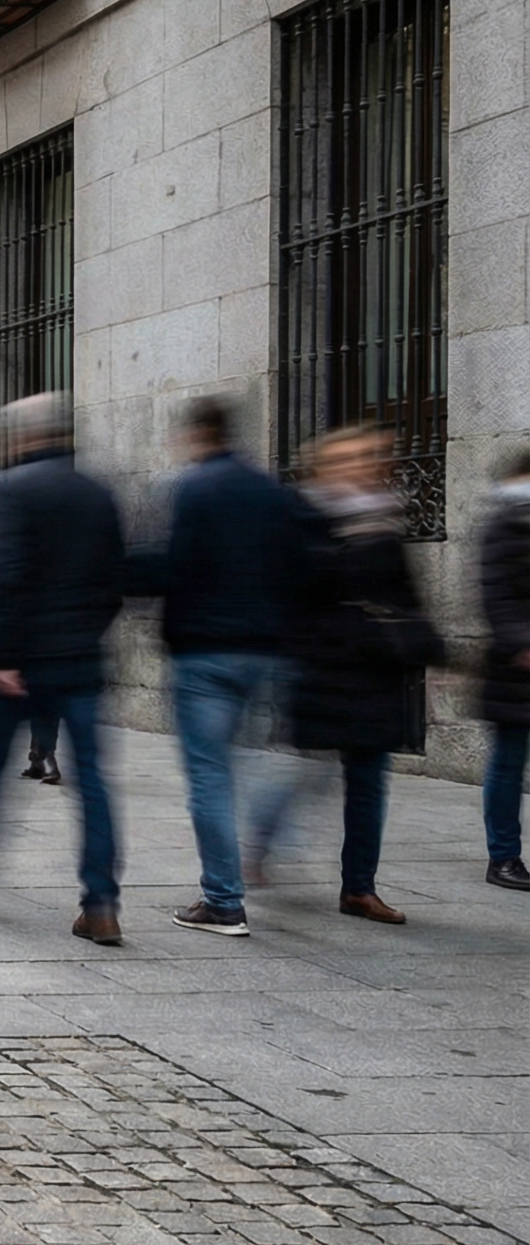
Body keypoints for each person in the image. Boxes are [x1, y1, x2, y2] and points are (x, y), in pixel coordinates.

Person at [0, 394, 127, 942]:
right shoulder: (97, 492)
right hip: (82, 659)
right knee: (93, 785)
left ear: (20, 438)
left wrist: (6, 658)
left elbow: (13, 575)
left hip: (27, 663)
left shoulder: (15, 489)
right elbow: (116, 579)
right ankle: (102, 905)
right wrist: (88, 633)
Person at [246, 425, 444, 925]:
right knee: (307, 771)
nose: (362, 464)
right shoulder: (302, 518)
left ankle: (359, 887)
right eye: (349, 457)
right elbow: (286, 594)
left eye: (369, 456)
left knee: (369, 780)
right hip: (320, 666)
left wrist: (423, 641)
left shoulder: (383, 520)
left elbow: (403, 595)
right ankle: (261, 841)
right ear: (326, 466)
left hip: (372, 670)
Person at [127, 395, 307, 937]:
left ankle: (224, 901)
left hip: (204, 654)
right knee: (248, 760)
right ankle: (264, 849)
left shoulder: (192, 489)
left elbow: (172, 566)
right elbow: (295, 567)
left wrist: (120, 576)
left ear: (200, 434)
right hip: (264, 651)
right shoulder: (273, 491)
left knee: (210, 777)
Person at [482, 447, 530, 893]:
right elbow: (494, 593)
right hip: (517, 668)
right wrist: (522, 641)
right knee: (509, 763)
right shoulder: (504, 525)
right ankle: (503, 857)